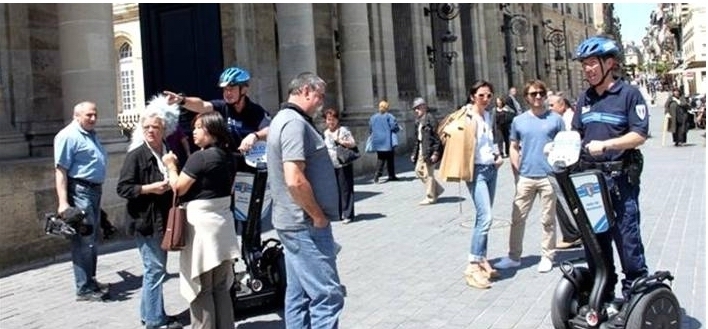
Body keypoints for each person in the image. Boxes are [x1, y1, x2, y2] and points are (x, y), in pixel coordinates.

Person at [572, 35, 650, 309]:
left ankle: (636, 296)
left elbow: (639, 135)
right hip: (590, 181)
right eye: (585, 65)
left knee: (627, 239)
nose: (588, 69)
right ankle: (602, 295)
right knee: (596, 241)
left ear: (610, 63)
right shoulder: (585, 98)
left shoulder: (629, 94)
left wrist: (606, 145)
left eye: (592, 63)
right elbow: (576, 135)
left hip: (620, 180)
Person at [266, 72, 345, 328]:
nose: (321, 102)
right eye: (319, 96)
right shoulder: (294, 124)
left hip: (294, 222)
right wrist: (318, 217)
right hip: (305, 224)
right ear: (307, 90)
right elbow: (294, 179)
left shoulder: (286, 119)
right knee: (327, 295)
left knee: (298, 295)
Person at [162, 111, 240, 329]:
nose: (193, 132)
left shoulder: (201, 157)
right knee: (220, 287)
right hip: (223, 223)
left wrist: (170, 165)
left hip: (202, 227)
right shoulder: (227, 156)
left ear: (211, 130)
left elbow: (178, 187)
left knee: (202, 287)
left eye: (198, 127)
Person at [116, 95, 184, 329]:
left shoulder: (169, 151)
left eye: (155, 127)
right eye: (146, 127)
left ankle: (150, 314)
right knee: (155, 269)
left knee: (154, 269)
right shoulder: (136, 155)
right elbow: (122, 188)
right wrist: (148, 189)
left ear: (164, 129)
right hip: (144, 220)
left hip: (163, 220)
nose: (150, 131)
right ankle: (155, 322)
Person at [494, 80, 565, 274]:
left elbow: (564, 145)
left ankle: (547, 256)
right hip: (526, 176)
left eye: (541, 93)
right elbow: (514, 145)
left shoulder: (556, 119)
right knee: (517, 218)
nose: (538, 97)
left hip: (548, 176)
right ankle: (514, 256)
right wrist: (516, 169)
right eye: (534, 94)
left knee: (547, 219)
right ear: (526, 97)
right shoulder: (519, 120)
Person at [438, 80, 504, 289]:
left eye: (489, 96)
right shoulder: (466, 116)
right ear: (472, 96)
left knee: (482, 216)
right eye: (481, 95)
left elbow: (490, 140)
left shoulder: (487, 115)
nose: (485, 99)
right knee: (486, 217)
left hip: (490, 169)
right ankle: (472, 265)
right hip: (475, 171)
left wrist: (497, 155)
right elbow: (445, 132)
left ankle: (482, 258)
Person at [53, 101, 110, 302]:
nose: (93, 118)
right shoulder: (67, 136)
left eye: (95, 114)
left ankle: (90, 280)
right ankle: (84, 287)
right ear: (76, 115)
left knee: (92, 239)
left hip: (93, 191)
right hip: (80, 191)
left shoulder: (90, 134)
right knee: (83, 240)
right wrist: (63, 203)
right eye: (89, 115)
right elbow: (61, 171)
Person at [163, 66, 270, 161]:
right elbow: (202, 105)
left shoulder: (256, 110)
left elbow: (269, 129)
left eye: (231, 89)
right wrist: (182, 100)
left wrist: (255, 136)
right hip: (226, 162)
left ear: (244, 90)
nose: (227, 93)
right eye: (225, 89)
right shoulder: (221, 107)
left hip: (250, 162)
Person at [547, 95, 583, 249]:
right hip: (566, 166)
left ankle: (573, 235)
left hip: (567, 167)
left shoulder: (567, 121)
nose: (549, 108)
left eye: (551, 105)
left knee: (564, 201)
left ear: (561, 105)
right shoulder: (565, 117)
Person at [322, 107, 357, 224]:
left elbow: (352, 143)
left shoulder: (343, 130)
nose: (330, 122)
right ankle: (338, 212)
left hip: (343, 163)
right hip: (331, 165)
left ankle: (348, 214)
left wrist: (340, 140)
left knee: (345, 189)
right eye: (328, 119)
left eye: (333, 119)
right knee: (335, 190)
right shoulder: (325, 133)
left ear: (337, 120)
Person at [409, 97, 444, 205]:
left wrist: (435, 153)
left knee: (428, 174)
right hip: (421, 150)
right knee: (418, 171)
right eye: (414, 109)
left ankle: (431, 197)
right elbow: (417, 139)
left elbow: (437, 137)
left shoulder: (430, 119)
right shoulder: (418, 121)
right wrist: (414, 153)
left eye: (418, 108)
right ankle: (437, 190)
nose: (416, 111)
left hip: (429, 150)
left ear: (424, 107)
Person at [368, 100, 400, 183]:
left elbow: (370, 129)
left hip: (378, 141)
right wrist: (397, 128)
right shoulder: (389, 116)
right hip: (387, 140)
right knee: (389, 158)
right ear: (387, 107)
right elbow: (394, 127)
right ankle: (387, 175)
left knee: (381, 157)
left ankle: (381, 175)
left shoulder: (373, 117)